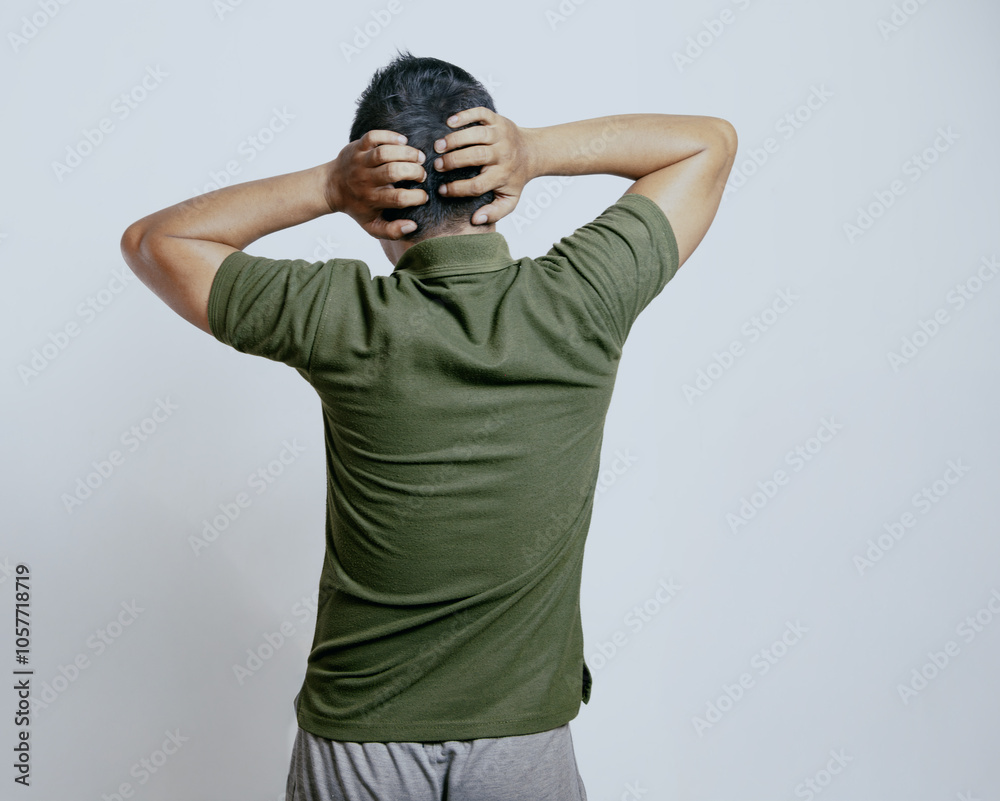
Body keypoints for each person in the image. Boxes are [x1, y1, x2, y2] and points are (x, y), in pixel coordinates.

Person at [120, 52, 737, 801]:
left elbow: (156, 243)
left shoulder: (340, 317)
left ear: (376, 202)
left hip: (360, 740)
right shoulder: (582, 297)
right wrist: (536, 150)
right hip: (525, 739)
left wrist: (327, 186)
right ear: (494, 185)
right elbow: (709, 143)